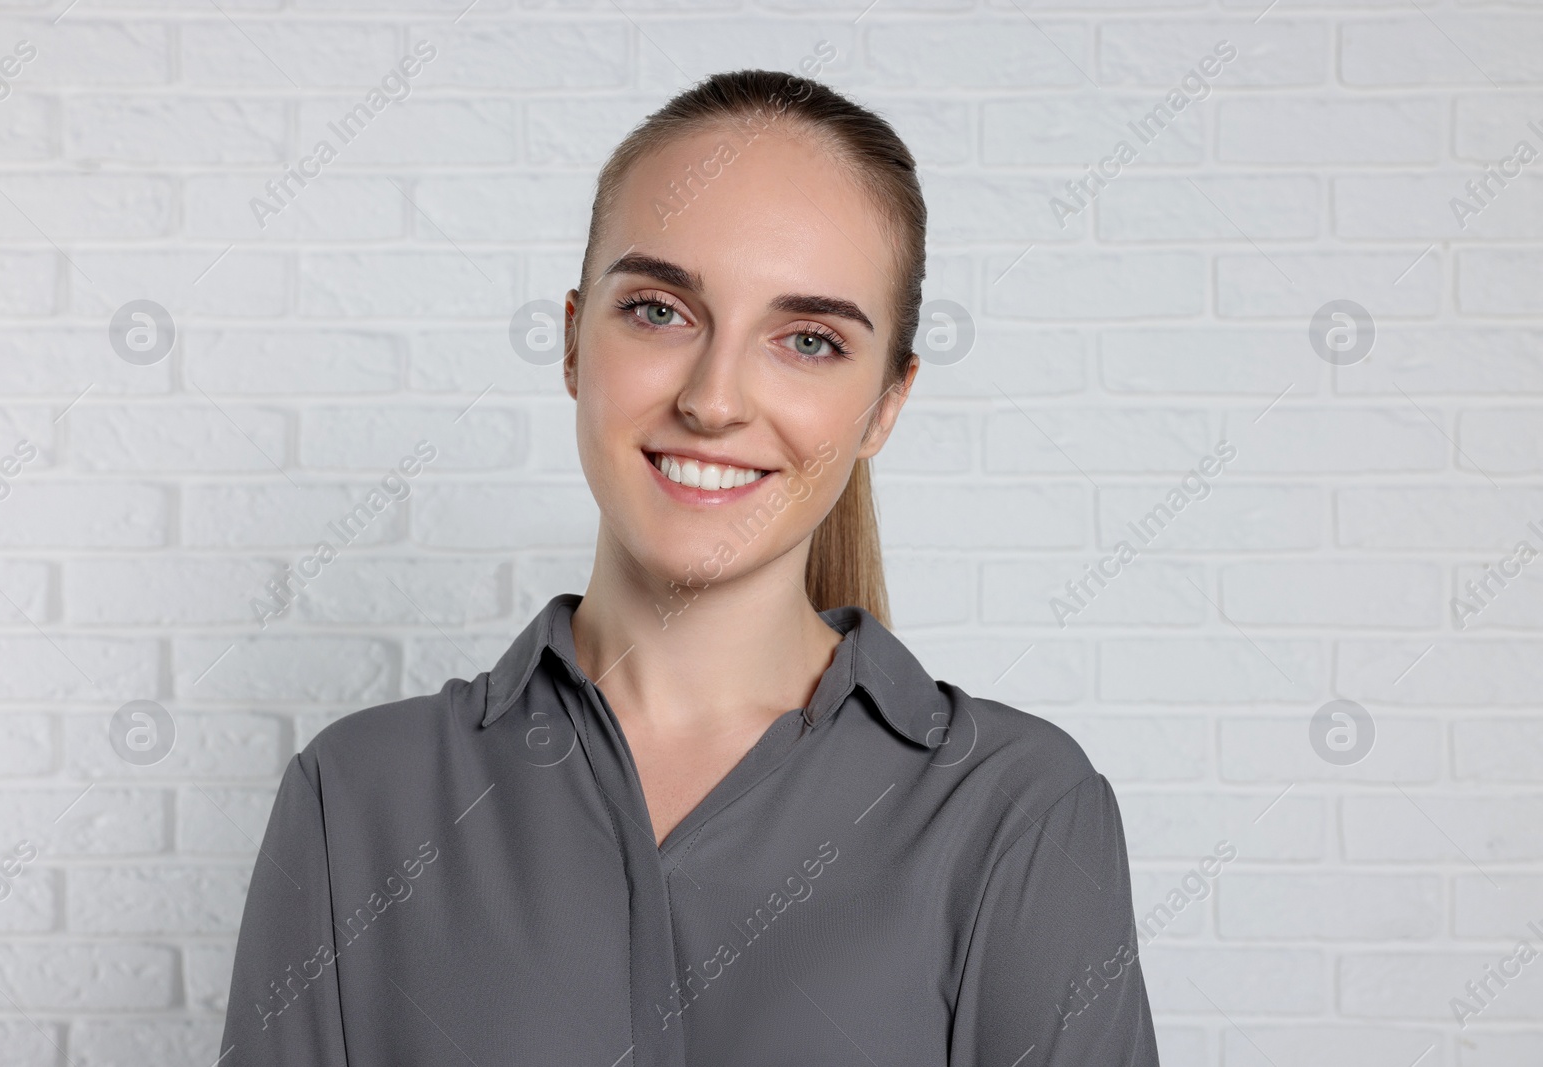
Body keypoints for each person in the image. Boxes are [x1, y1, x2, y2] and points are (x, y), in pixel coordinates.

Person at [219, 68, 1160, 1067]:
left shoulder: (1017, 812)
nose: (714, 399)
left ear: (887, 402)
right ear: (575, 340)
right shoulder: (358, 797)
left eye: (807, 339)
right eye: (661, 311)